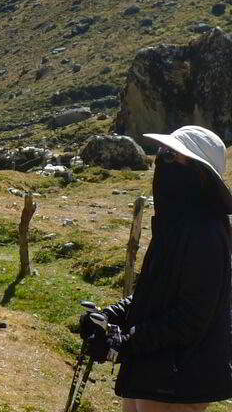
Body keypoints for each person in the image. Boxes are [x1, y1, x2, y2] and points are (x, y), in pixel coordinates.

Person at [79, 125, 232, 412]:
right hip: (155, 368)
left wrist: (123, 343)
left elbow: (191, 317)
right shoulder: (175, 225)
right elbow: (153, 296)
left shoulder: (206, 233)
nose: (162, 160)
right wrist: (110, 316)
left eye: (173, 156)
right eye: (162, 152)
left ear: (199, 173)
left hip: (182, 376)